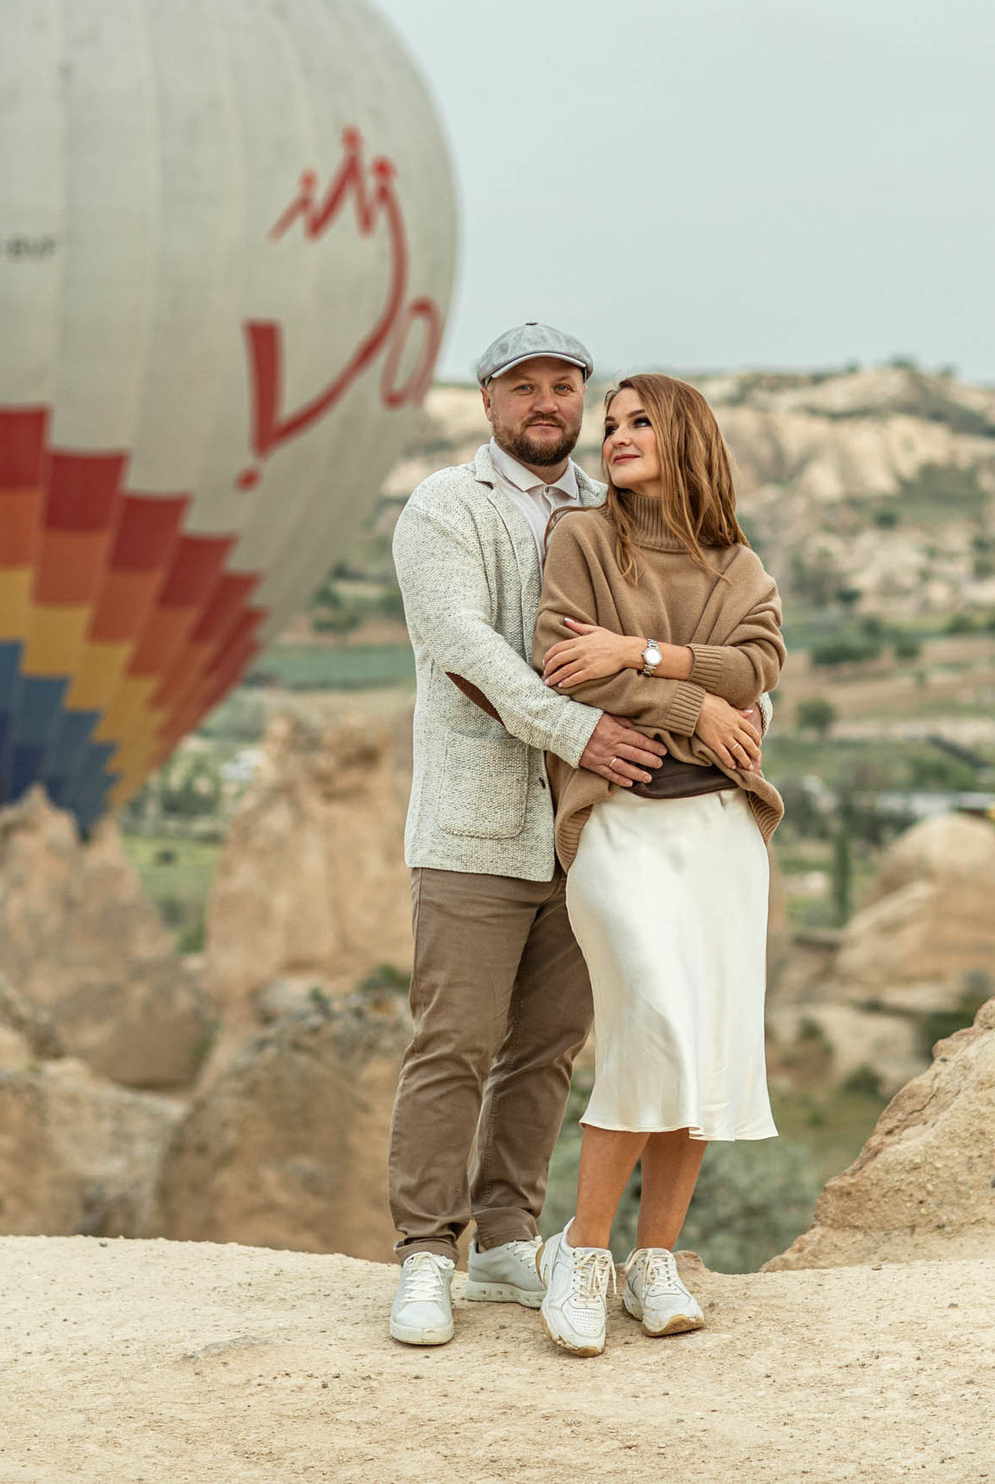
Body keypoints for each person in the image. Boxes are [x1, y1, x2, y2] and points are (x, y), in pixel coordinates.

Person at [382, 323, 694, 1348]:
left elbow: (663, 638)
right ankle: (428, 1254)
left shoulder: (613, 517)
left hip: (579, 834)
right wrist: (581, 731)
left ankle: (510, 1239)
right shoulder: (443, 507)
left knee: (548, 1051)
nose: (546, 402)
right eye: (525, 388)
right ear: (487, 403)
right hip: (473, 829)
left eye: (565, 386)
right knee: (453, 1045)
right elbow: (459, 646)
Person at [528, 372, 785, 1358]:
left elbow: (753, 670)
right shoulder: (582, 542)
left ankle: (658, 1259)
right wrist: (691, 704)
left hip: (719, 830)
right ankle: (582, 1253)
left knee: (709, 1042)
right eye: (612, 423)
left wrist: (642, 658)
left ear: (686, 439)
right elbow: (564, 662)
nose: (619, 434)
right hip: (619, 824)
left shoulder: (735, 565)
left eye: (641, 421)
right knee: (653, 1017)